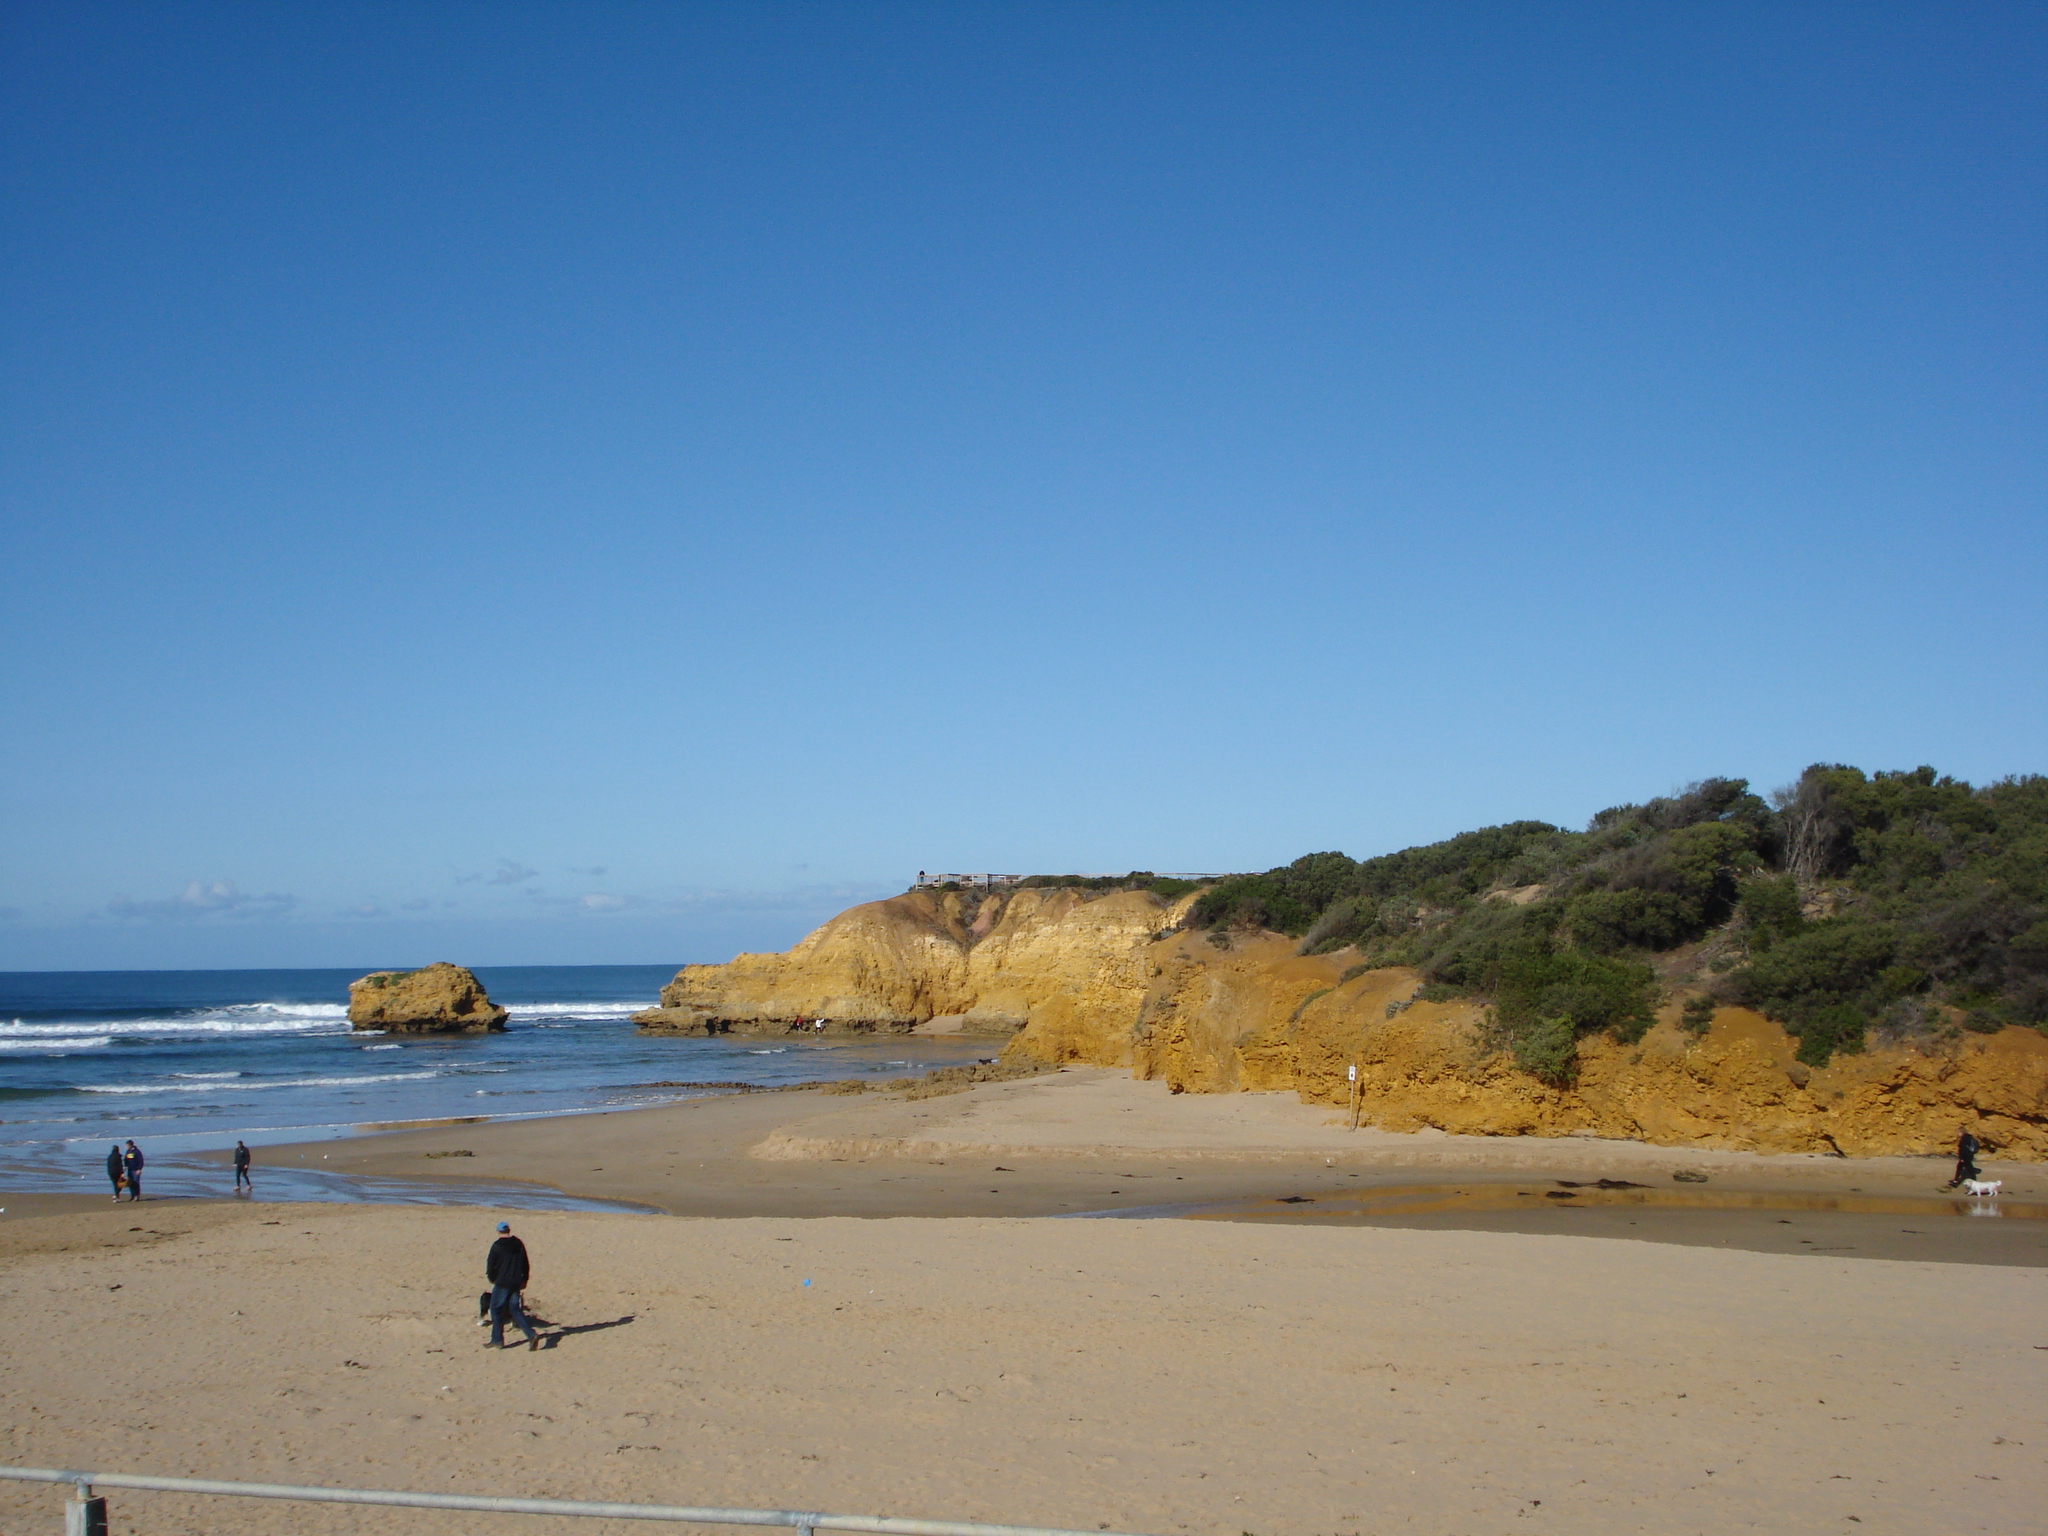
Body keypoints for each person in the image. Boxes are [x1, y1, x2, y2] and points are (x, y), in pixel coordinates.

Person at [483, 1220, 538, 1349]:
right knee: (514, 1309)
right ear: (508, 1230)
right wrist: (524, 1279)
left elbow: (490, 1265)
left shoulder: (497, 1246)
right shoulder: (518, 1243)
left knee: (495, 1310)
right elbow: (525, 1263)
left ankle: (497, 1339)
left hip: (503, 1282)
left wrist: (492, 1279)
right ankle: (531, 1335)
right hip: (516, 1281)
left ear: (498, 1232)